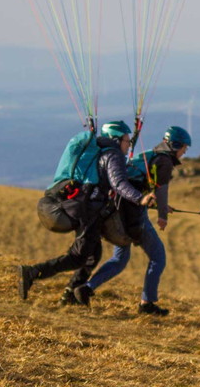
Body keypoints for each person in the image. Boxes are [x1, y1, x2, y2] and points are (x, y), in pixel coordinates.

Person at [18, 121, 155, 305]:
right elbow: (119, 183)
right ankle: (32, 272)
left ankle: (71, 296)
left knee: (93, 254)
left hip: (88, 209)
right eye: (126, 140)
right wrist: (140, 198)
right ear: (116, 139)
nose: (128, 144)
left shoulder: (103, 153)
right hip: (89, 211)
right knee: (78, 257)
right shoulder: (113, 155)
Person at [72, 126, 192, 315]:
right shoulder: (164, 161)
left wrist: (159, 204)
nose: (185, 152)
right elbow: (161, 189)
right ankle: (147, 303)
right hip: (133, 216)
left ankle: (86, 288)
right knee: (158, 256)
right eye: (184, 147)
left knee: (120, 259)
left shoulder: (150, 155)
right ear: (175, 145)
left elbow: (138, 184)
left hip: (118, 212)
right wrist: (162, 215)